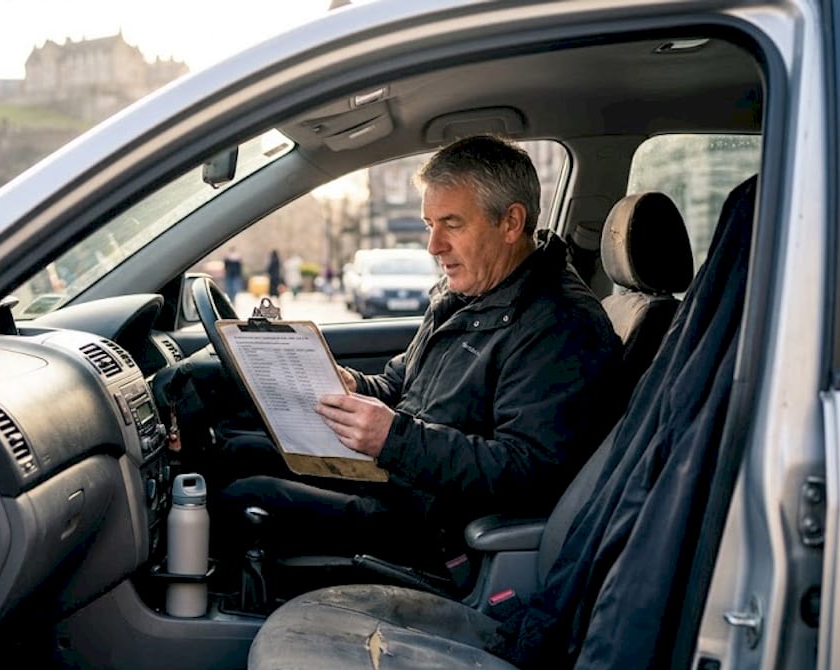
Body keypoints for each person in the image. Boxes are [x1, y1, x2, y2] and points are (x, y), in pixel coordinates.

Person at [217, 135, 622, 577]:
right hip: (402, 479)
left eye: (452, 223)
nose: (433, 245)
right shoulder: (468, 292)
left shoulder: (559, 324)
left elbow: (527, 472)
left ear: (510, 223)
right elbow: (403, 384)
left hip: (437, 528)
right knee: (239, 451)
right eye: (430, 223)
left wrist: (394, 440)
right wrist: (353, 386)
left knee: (246, 495)